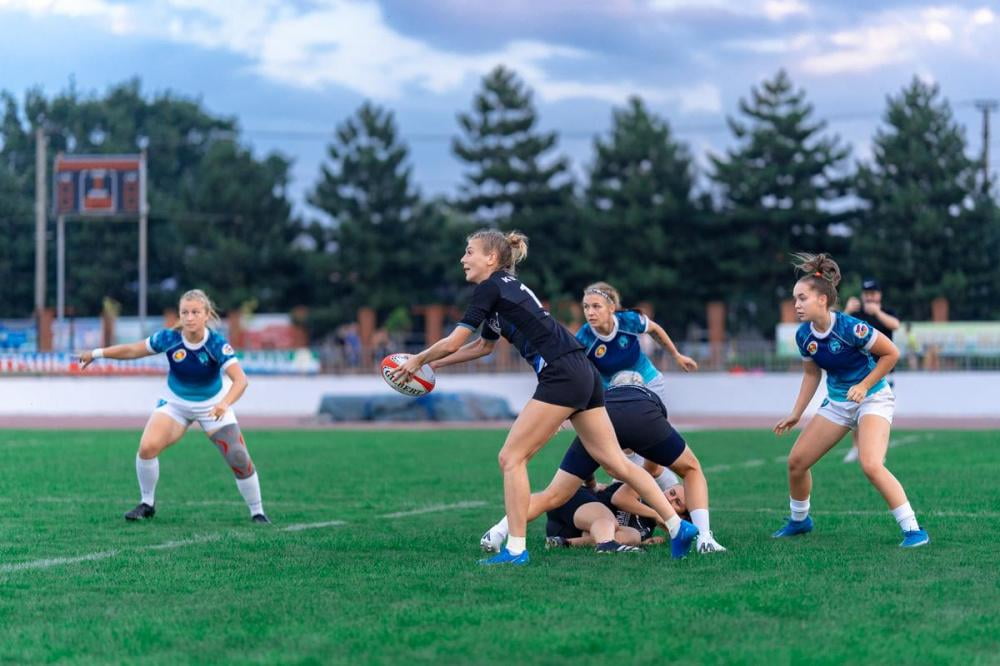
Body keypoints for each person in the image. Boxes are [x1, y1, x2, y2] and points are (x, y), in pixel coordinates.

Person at [392, 230, 698, 565]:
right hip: (582, 370)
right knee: (616, 463)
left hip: (561, 373)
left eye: (469, 252)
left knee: (511, 458)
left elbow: (454, 340)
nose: (463, 259)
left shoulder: (490, 287)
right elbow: (483, 345)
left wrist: (417, 360)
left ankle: (516, 550)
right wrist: (432, 363)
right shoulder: (505, 290)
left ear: (491, 258)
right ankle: (676, 525)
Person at [773, 254, 929, 548]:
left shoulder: (850, 327)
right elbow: (811, 375)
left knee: (870, 463)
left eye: (802, 298)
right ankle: (800, 520)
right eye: (795, 298)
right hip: (838, 402)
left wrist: (864, 384)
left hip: (874, 397)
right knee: (796, 462)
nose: (796, 304)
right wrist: (796, 413)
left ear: (822, 299)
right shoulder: (804, 335)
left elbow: (891, 353)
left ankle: (913, 530)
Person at [79, 289, 268, 524]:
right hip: (175, 403)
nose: (189, 317)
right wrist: (96, 353)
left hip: (213, 405)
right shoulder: (169, 338)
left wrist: (224, 403)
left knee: (239, 457)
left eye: (195, 312)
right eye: (185, 312)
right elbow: (132, 350)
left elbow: (241, 380)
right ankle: (147, 503)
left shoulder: (217, 344)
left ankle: (257, 512)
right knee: (147, 447)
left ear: (206, 314)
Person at [479, 383, 726, 557]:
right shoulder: (652, 405)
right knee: (692, 468)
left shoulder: (604, 388)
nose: (672, 495)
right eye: (674, 495)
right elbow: (651, 469)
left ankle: (498, 532)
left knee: (554, 494)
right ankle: (704, 538)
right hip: (643, 416)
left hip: (598, 416)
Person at [575, 282, 697, 489]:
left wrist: (676, 356)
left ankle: (669, 492)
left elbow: (655, 329)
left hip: (649, 384)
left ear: (611, 307)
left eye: (596, 306)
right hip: (614, 395)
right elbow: (576, 374)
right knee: (624, 445)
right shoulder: (584, 337)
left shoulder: (629, 321)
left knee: (654, 443)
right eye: (586, 307)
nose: (590, 312)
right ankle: (630, 488)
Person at [842, 278, 901, 463]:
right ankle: (855, 447)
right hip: (860, 371)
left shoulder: (887, 312)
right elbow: (838, 329)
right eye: (866, 294)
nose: (869, 297)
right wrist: (847, 311)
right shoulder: (857, 314)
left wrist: (878, 313)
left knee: (881, 413)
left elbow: (895, 325)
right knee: (855, 410)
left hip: (884, 372)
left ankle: (879, 453)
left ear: (879, 295)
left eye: (873, 293)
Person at [542, 483, 646, 553]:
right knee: (609, 522)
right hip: (574, 503)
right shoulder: (646, 490)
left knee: (634, 535)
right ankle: (606, 546)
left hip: (566, 531)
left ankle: (564, 543)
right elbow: (619, 499)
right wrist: (657, 514)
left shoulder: (648, 526)